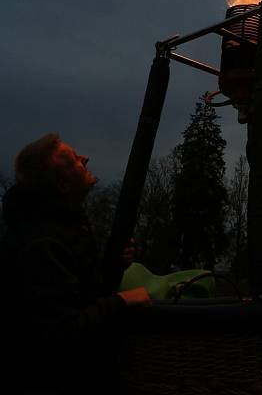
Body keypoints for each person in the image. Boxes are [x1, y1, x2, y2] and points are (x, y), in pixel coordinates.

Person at [0, 133, 151, 394]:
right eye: (73, 160)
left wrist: (115, 266)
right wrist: (123, 301)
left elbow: (82, 296)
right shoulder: (42, 243)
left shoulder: (65, 225)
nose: (85, 158)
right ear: (63, 185)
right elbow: (61, 334)